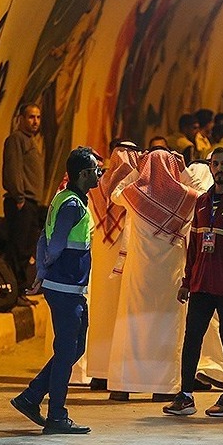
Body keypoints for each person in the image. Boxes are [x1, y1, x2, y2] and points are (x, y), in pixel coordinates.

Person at [11, 147, 100, 435]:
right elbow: (56, 244)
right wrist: (45, 270)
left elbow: (42, 236)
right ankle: (57, 416)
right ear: (84, 174)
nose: (99, 174)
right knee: (66, 352)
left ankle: (32, 396)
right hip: (64, 289)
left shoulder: (65, 198)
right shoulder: (72, 205)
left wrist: (41, 274)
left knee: (75, 347)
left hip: (68, 288)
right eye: (96, 170)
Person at [163, 147, 223, 417]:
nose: (219, 169)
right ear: (210, 167)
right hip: (201, 285)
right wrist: (186, 281)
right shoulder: (202, 201)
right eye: (215, 164)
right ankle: (186, 396)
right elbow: (193, 246)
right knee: (191, 339)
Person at [107, 148, 199, 401]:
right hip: (170, 276)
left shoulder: (133, 194)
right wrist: (184, 172)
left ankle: (123, 385)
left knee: (133, 325)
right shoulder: (187, 198)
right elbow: (202, 192)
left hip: (139, 273)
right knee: (166, 327)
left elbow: (114, 193)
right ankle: (162, 388)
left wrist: (137, 170)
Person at [85, 142, 141, 390]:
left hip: (102, 256)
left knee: (102, 313)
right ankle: (114, 372)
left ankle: (100, 372)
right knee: (115, 315)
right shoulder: (136, 191)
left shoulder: (95, 189)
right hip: (122, 259)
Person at [2, 103, 45, 306]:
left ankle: (20, 291)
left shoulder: (31, 141)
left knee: (26, 248)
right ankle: (15, 292)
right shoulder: (16, 140)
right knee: (17, 249)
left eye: (37, 117)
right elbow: (13, 169)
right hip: (22, 202)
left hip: (31, 202)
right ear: (21, 118)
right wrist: (19, 197)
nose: (35, 121)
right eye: (30, 117)